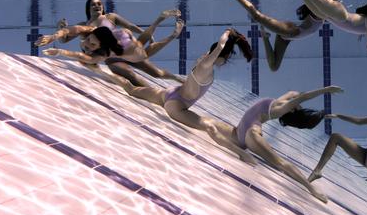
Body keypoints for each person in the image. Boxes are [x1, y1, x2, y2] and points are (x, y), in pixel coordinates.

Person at [102, 29, 258, 164]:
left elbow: (218, 48)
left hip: (170, 93)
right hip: (177, 107)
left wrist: (230, 36)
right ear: (222, 57)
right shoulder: (206, 65)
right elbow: (220, 47)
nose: (224, 63)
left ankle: (101, 71)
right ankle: (242, 154)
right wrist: (228, 33)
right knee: (209, 127)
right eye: (226, 59)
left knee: (132, 90)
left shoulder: (202, 59)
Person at [218, 0, 362, 71]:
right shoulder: (320, 8)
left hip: (290, 36)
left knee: (274, 67)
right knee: (257, 16)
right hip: (291, 31)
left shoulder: (326, 8)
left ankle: (265, 36)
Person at [222, 86, 343, 203]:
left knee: (280, 163)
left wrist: (326, 90)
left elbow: (303, 97)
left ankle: (311, 188)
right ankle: (242, 153)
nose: (300, 104)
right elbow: (295, 93)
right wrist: (318, 112)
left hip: (250, 134)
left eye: (300, 107)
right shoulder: (283, 101)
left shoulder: (285, 107)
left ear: (295, 110)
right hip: (238, 133)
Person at [39, 0, 183, 85]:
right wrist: (58, 30)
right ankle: (152, 97)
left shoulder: (110, 17)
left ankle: (176, 79)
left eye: (99, 4)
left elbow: (130, 26)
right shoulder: (85, 25)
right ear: (88, 8)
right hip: (111, 58)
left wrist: (148, 35)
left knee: (156, 73)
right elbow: (65, 39)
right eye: (93, 4)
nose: (97, 6)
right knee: (132, 77)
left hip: (125, 46)